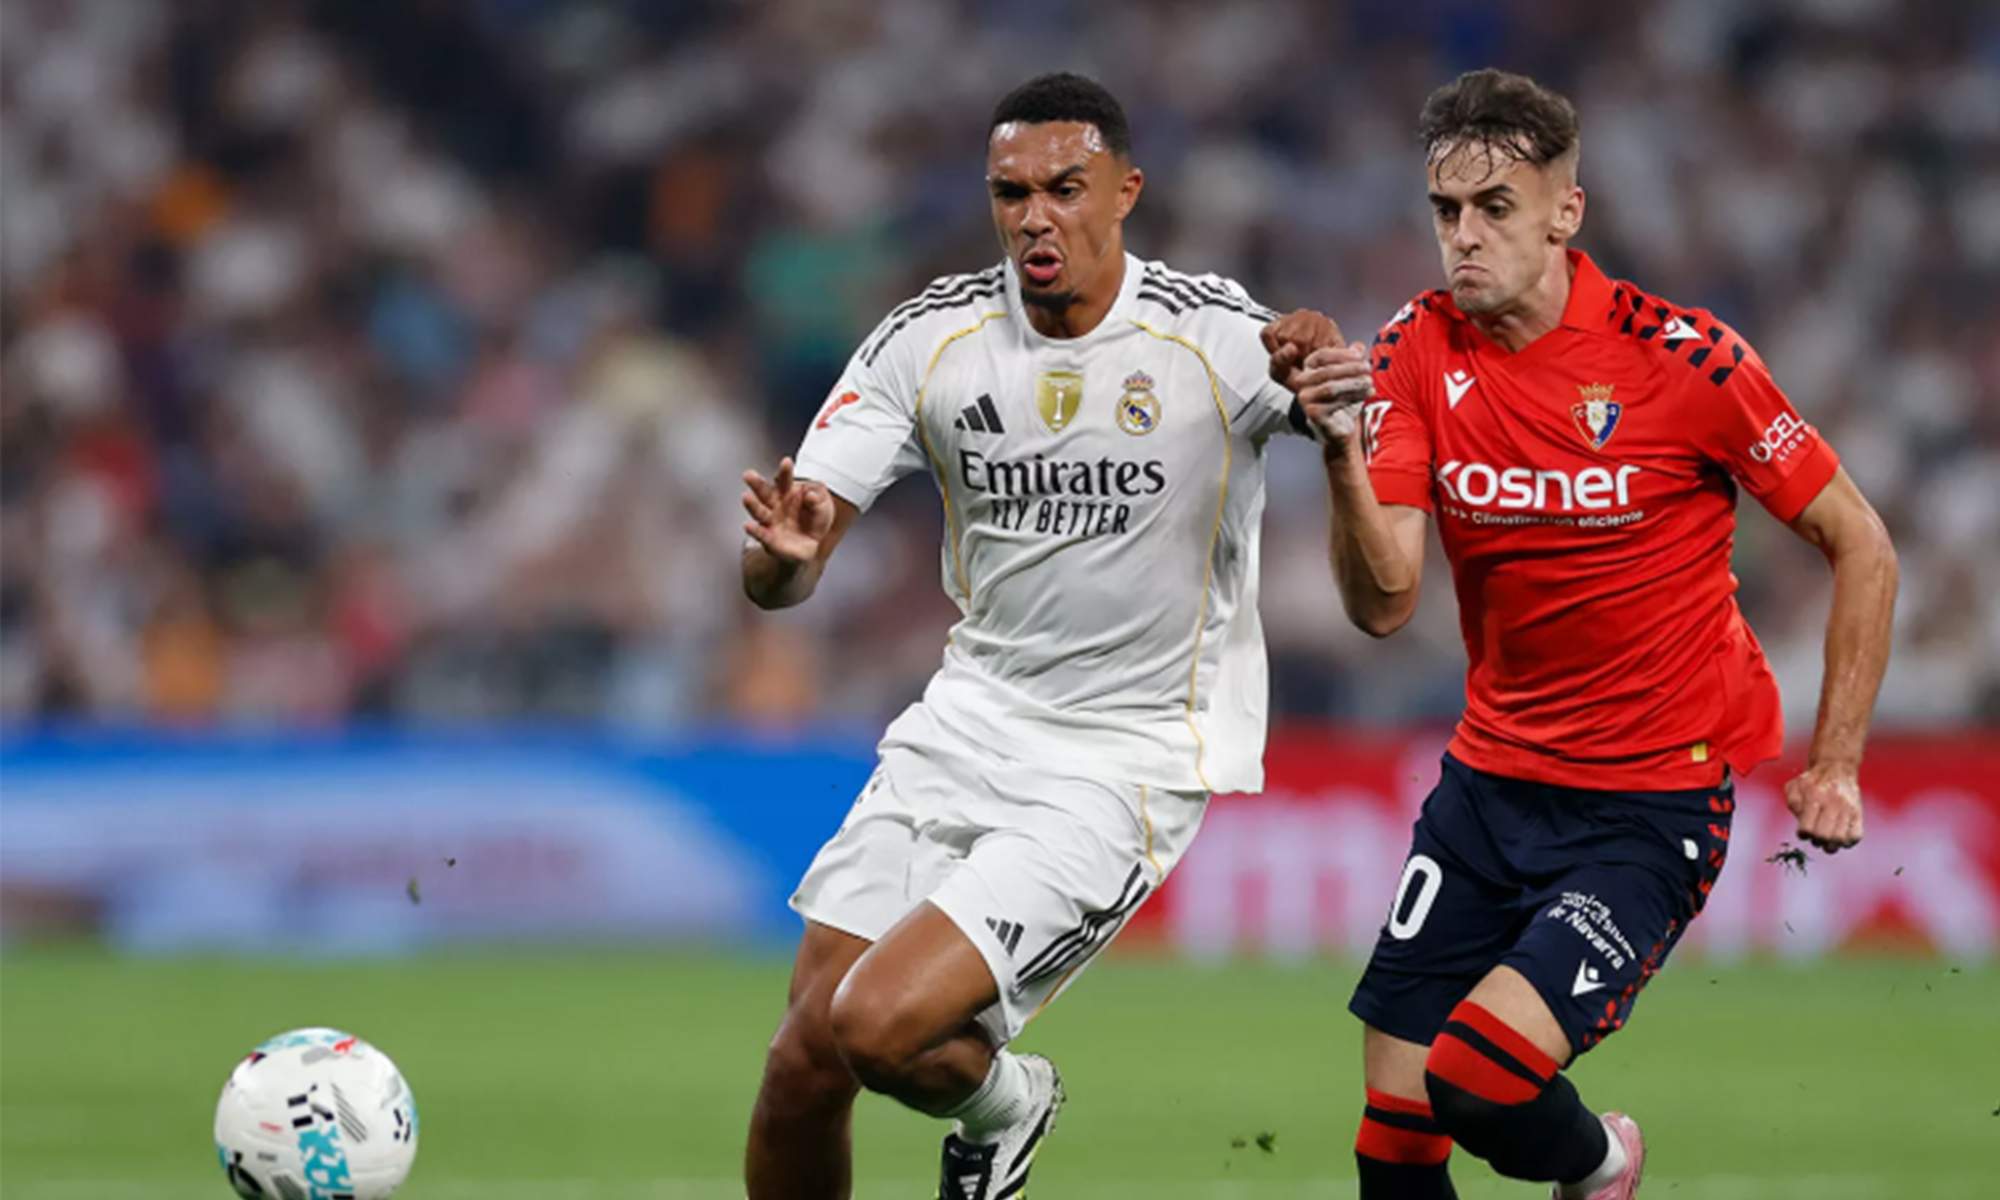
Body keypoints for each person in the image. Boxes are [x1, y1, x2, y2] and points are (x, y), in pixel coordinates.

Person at [1273, 69, 1899, 1199]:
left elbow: (1861, 544)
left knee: (1475, 1080)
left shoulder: (1687, 361)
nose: (1463, 237)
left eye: (1493, 208)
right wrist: (1336, 453)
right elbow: (1383, 604)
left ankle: (1601, 1165)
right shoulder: (1415, 349)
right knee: (1391, 1138)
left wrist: (1837, 761)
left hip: (1645, 806)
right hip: (1485, 792)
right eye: (1445, 211)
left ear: (1565, 212)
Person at [739, 72, 1344, 1200]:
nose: (1034, 217)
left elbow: (1354, 424)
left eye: (1064, 188)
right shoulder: (930, 338)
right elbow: (788, 562)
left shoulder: (1211, 337)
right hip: (966, 725)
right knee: (801, 1065)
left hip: (1121, 761)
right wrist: (783, 559)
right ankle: (1001, 1102)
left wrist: (1334, 395)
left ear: (1125, 192)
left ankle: (1006, 1103)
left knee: (874, 1025)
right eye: (1010, 193)